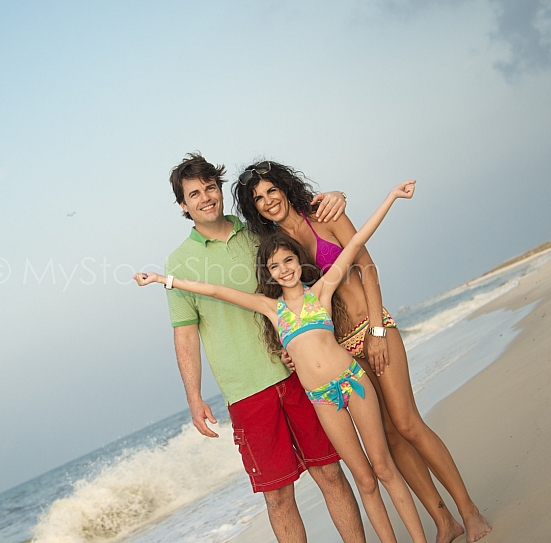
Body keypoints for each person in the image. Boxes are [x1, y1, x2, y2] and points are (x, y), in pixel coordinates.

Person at [137, 180, 426, 543]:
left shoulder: (321, 290)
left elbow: (356, 243)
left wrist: (390, 197)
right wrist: (162, 279)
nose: (285, 269)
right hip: (321, 398)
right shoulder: (271, 308)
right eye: (275, 266)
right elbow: (214, 290)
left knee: (383, 468)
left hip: (354, 381)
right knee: (364, 479)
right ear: (268, 273)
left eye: (289, 260)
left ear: (299, 261)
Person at [232, 161, 492, 543]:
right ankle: (444, 521)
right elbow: (290, 308)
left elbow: (366, 266)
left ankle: (469, 512)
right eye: (259, 198)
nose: (269, 200)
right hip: (341, 350)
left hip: (371, 326)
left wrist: (377, 329)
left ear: (285, 187)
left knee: (407, 423)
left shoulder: (324, 213)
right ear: (254, 208)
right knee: (388, 437)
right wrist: (294, 349)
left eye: (272, 190)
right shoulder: (277, 247)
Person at [157, 153, 364, 543]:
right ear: (183, 206)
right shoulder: (179, 263)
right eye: (194, 194)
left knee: (330, 472)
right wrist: (194, 397)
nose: (205, 198)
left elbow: (298, 222)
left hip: (299, 373)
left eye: (210, 188)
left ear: (220, 189)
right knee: (278, 496)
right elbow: (185, 334)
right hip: (246, 391)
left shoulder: (258, 232)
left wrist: (335, 196)